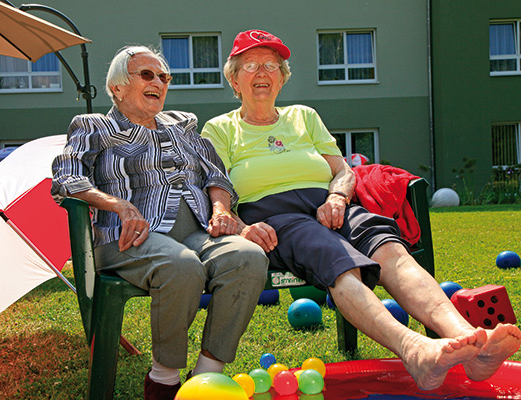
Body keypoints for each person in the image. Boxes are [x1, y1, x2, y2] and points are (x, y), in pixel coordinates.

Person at [201, 29, 521, 391]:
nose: (263, 73)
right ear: (233, 78)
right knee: (338, 263)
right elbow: (217, 187)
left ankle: (469, 341)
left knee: (392, 252)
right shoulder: (221, 128)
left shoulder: (303, 116)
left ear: (283, 76)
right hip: (278, 217)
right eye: (251, 65)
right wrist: (243, 226)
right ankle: (414, 350)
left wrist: (337, 197)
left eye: (272, 65)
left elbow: (342, 171)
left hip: (329, 206)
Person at [51, 45, 269, 400]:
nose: (159, 82)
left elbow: (217, 176)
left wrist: (220, 209)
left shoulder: (183, 125)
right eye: (147, 75)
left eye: (164, 76)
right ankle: (163, 379)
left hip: (197, 229)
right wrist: (117, 204)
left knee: (248, 258)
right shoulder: (95, 126)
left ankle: (206, 375)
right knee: (180, 267)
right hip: (128, 237)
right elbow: (66, 177)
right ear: (117, 88)